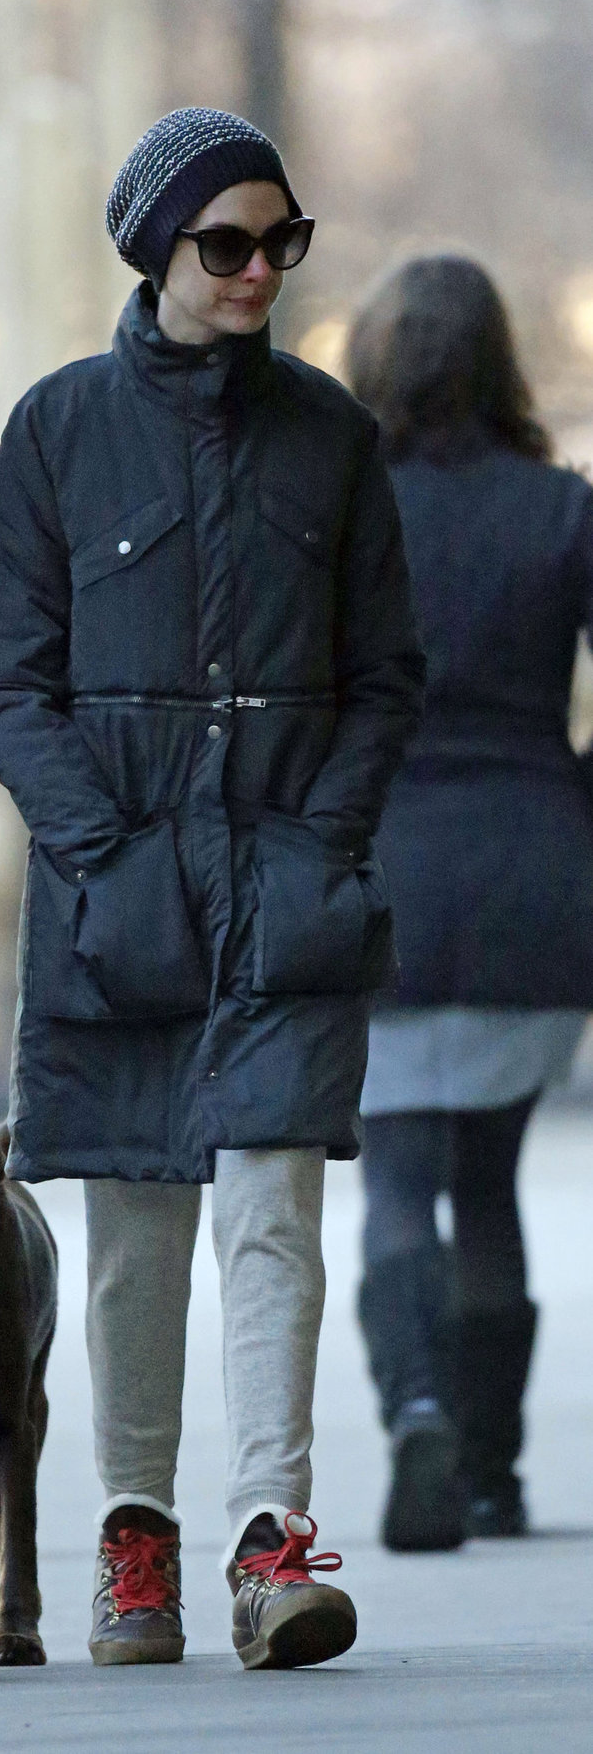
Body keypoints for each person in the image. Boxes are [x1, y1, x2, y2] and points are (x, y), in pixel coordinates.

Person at [0, 107, 424, 1672]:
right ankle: (136, 1540)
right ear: (153, 250)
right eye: (222, 243)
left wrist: (323, 842)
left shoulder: (332, 438)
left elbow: (385, 678)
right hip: (126, 884)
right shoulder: (54, 431)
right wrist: (102, 856)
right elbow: (8, 687)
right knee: (135, 1225)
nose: (255, 270)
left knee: (275, 1215)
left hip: (285, 878)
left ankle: (271, 1539)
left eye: (278, 241)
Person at [346, 255, 593, 1552]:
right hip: (532, 885)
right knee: (487, 1183)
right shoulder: (563, 510)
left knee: (394, 1174)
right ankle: (490, 1475)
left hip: (377, 877)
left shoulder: (342, 511)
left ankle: (419, 1408)